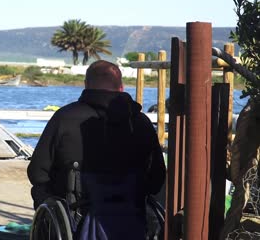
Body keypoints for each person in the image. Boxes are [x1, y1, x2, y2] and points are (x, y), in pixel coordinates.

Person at [27, 60, 166, 239]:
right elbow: (157, 178)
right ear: (122, 87)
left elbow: (37, 172)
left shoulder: (64, 118)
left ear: (86, 85)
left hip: (74, 220)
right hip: (132, 220)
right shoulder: (141, 123)